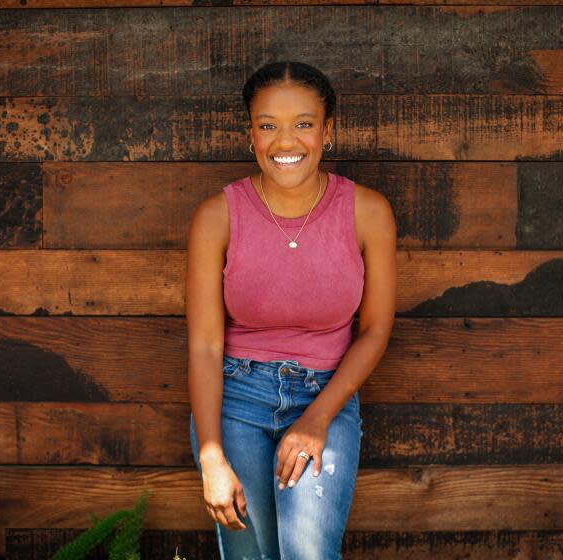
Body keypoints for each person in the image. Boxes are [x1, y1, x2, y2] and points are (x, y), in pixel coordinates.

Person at [185, 60, 397, 560]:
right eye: (268, 125)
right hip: (235, 401)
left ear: (327, 131)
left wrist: (319, 417)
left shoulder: (367, 212)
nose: (286, 141)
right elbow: (205, 344)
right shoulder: (217, 217)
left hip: (325, 393)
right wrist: (211, 456)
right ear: (250, 134)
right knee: (248, 555)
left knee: (308, 553)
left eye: (303, 123)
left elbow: (375, 331)